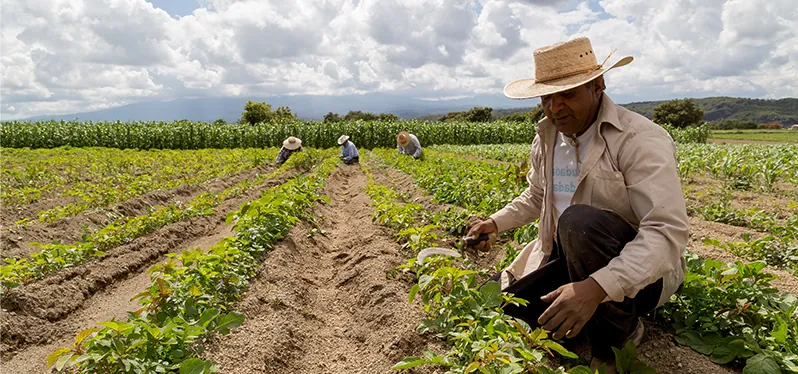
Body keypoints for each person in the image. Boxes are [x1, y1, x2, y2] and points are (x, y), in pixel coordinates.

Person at [465, 37, 689, 373]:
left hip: (639, 276)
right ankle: (582, 312)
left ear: (598, 87)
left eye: (567, 94)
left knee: (579, 222)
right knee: (507, 313)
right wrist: (494, 223)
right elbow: (538, 196)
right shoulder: (548, 137)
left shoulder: (639, 139)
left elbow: (665, 232)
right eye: (547, 98)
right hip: (568, 257)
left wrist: (595, 288)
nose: (555, 108)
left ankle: (616, 338)